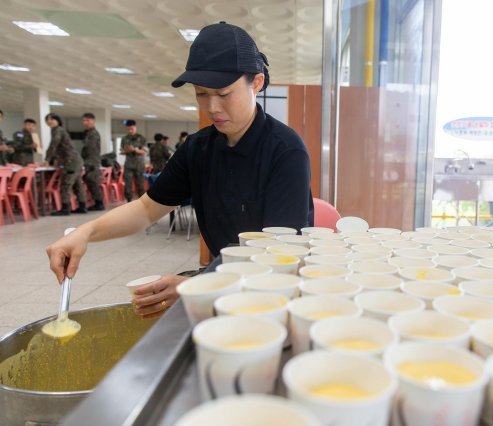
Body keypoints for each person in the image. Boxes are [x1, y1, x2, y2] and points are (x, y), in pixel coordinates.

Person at [46, 22, 313, 319]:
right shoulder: (198, 149)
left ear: (257, 83)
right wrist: (86, 232)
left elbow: (278, 253)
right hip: (221, 282)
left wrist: (196, 285)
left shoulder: (285, 151)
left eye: (224, 94)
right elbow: (147, 209)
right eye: (201, 94)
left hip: (274, 292)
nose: (211, 107)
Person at [45, 113, 87, 215]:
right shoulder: (58, 130)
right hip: (75, 160)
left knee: (66, 184)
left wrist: (47, 159)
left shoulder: (58, 130)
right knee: (77, 185)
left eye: (52, 119)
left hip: (70, 161)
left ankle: (65, 208)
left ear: (58, 120)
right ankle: (82, 206)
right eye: (47, 119)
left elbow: (54, 145)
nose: (49, 121)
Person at [80, 113, 105, 211]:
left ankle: (99, 203)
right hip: (89, 161)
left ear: (93, 121)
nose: (85, 122)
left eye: (88, 120)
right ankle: (97, 203)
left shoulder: (93, 133)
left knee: (93, 183)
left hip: (92, 162)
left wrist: (89, 163)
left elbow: (90, 149)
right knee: (91, 183)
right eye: (84, 121)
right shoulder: (88, 133)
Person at [120, 119, 147, 202]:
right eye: (128, 129)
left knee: (140, 185)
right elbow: (122, 151)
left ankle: (142, 202)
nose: (130, 130)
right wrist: (126, 151)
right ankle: (129, 200)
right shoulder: (124, 139)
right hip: (128, 165)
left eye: (132, 128)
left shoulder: (141, 138)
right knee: (128, 184)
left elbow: (144, 151)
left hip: (139, 165)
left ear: (135, 127)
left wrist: (134, 150)